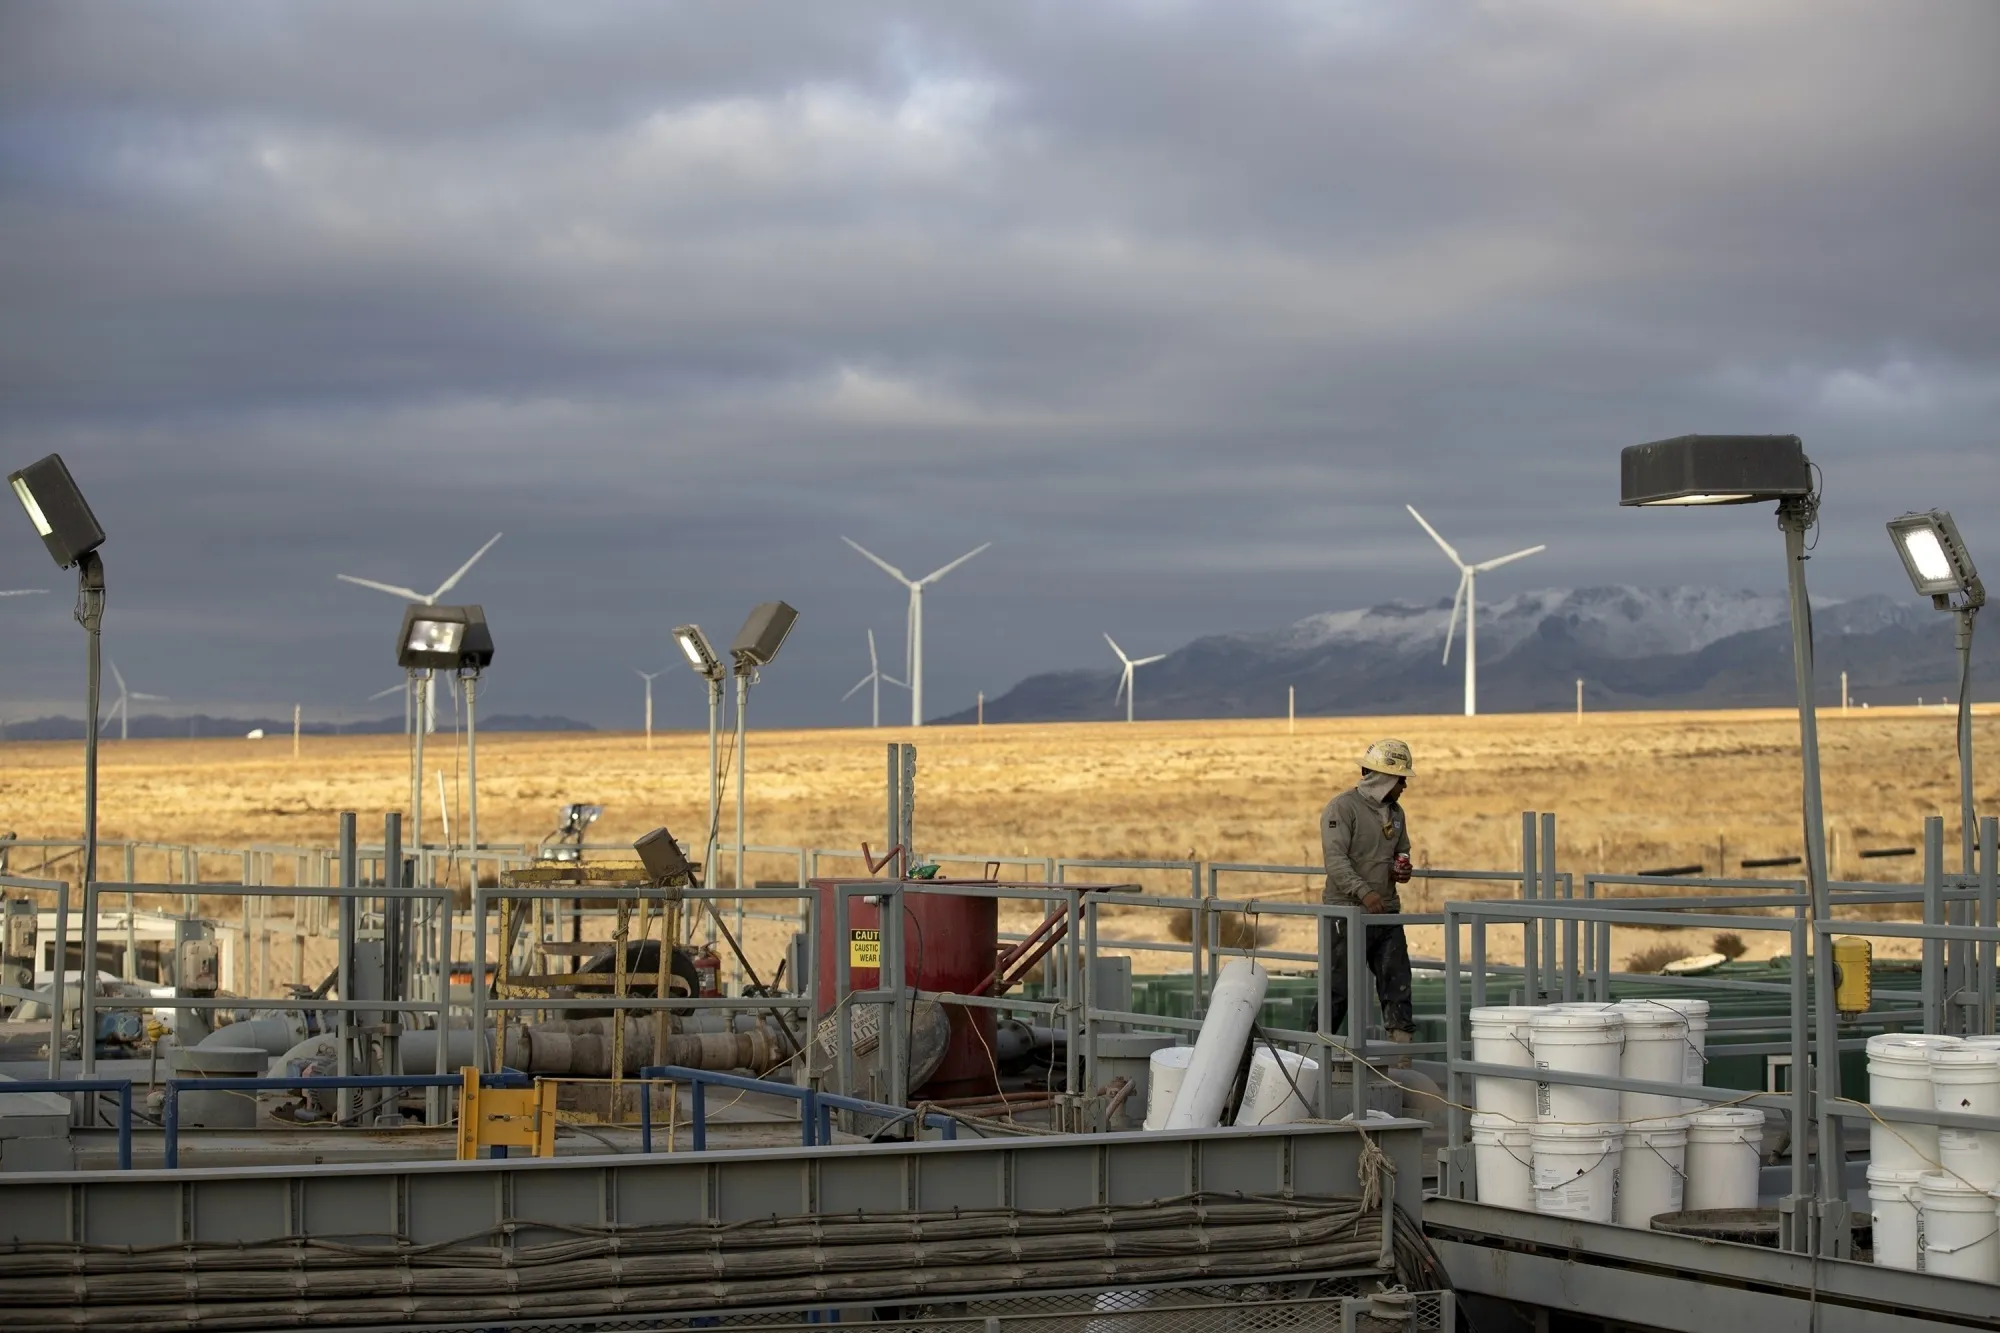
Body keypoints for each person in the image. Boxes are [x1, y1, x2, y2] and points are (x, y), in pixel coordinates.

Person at [1319, 739, 1416, 1057]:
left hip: (1385, 912)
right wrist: (1364, 892)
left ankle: (1400, 1059)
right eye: (1400, 779)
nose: (1404, 785)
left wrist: (1401, 868)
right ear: (1384, 778)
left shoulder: (1396, 813)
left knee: (1397, 982)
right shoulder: (1342, 808)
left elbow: (1401, 848)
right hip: (1347, 912)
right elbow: (1336, 860)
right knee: (1339, 988)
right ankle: (1314, 1056)